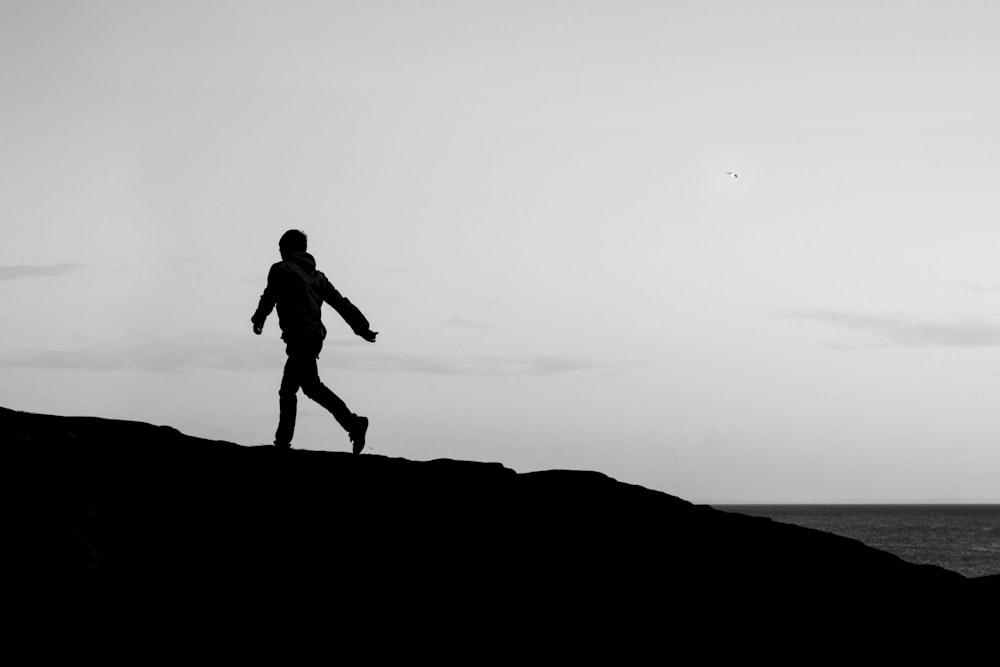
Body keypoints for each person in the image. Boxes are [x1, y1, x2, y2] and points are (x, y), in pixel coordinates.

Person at [251, 229, 377, 453]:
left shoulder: (282, 269)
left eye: (281, 247)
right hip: (313, 338)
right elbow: (340, 303)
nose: (279, 251)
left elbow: (270, 295)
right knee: (310, 387)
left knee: (289, 390)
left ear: (288, 248)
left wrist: (259, 318)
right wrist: (362, 327)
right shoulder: (318, 277)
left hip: (300, 337)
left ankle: (283, 443)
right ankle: (352, 423)